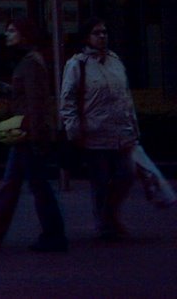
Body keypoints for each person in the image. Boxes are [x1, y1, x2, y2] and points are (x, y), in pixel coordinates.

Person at [0, 18, 68, 252]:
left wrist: (34, 134)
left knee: (37, 185)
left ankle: (54, 235)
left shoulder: (30, 63)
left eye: (12, 31)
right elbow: (29, 95)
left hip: (27, 134)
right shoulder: (28, 61)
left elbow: (36, 102)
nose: (7, 35)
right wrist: (9, 90)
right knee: (14, 183)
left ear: (25, 34)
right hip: (26, 133)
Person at [59, 16, 138, 241]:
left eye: (104, 32)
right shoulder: (78, 64)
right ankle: (104, 223)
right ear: (87, 37)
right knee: (100, 181)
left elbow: (125, 97)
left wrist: (133, 127)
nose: (102, 36)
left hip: (120, 131)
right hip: (94, 133)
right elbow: (68, 99)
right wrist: (73, 130)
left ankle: (111, 215)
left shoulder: (115, 60)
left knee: (126, 175)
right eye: (97, 33)